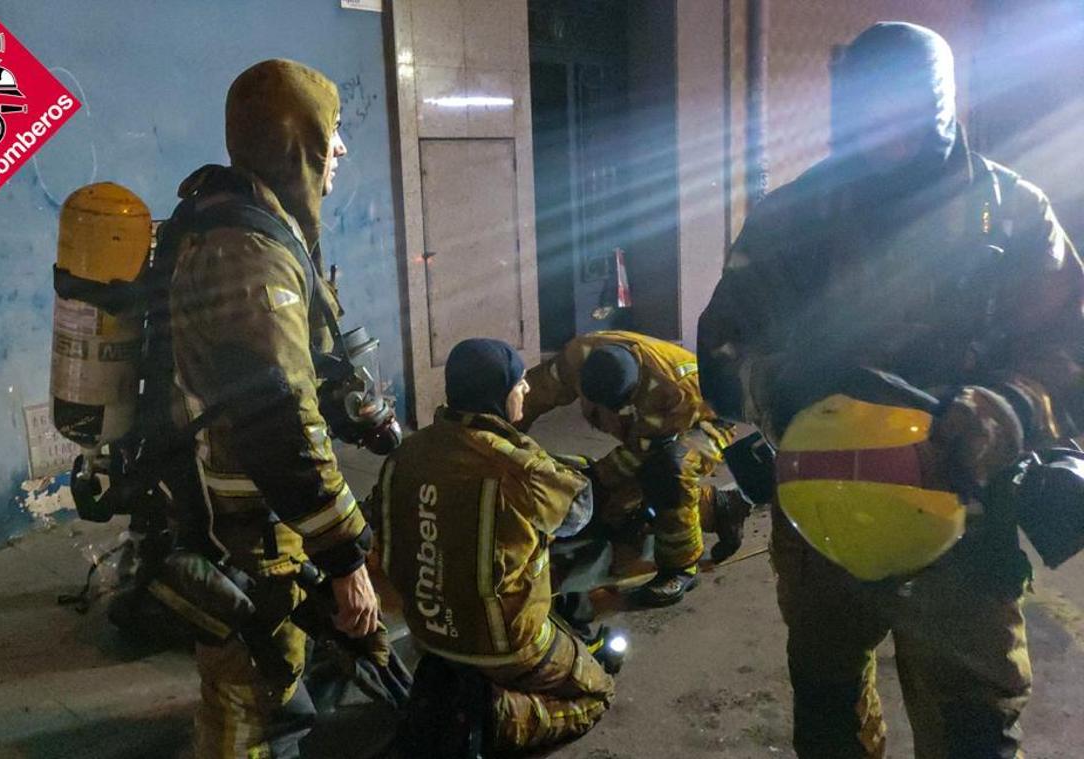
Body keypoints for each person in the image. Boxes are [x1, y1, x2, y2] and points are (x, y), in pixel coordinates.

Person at [697, 22, 1084, 759]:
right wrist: (777, 384)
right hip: (821, 520)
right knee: (826, 710)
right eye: (869, 113)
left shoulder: (1010, 212)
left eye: (908, 113)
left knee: (975, 731)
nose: (886, 133)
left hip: (963, 528)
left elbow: (1071, 346)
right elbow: (720, 349)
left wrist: (999, 412)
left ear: (943, 106)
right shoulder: (792, 218)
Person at [168, 59, 381, 758]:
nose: (341, 149)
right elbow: (276, 417)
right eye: (333, 131)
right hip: (246, 527)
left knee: (258, 684)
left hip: (244, 516)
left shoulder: (246, 223)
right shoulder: (249, 250)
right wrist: (346, 553)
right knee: (250, 704)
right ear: (298, 141)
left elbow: (286, 371)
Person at [371, 338, 615, 754]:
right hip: (502, 641)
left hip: (427, 630)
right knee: (596, 694)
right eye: (519, 383)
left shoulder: (405, 455)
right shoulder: (517, 466)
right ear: (499, 393)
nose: (526, 390)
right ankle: (495, 715)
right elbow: (577, 512)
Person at [518, 330, 752, 607]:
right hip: (647, 427)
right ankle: (720, 507)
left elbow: (641, 453)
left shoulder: (671, 389)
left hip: (707, 423)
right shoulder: (577, 358)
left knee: (666, 471)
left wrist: (594, 481)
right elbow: (532, 393)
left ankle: (681, 569)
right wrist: (504, 434)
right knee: (614, 496)